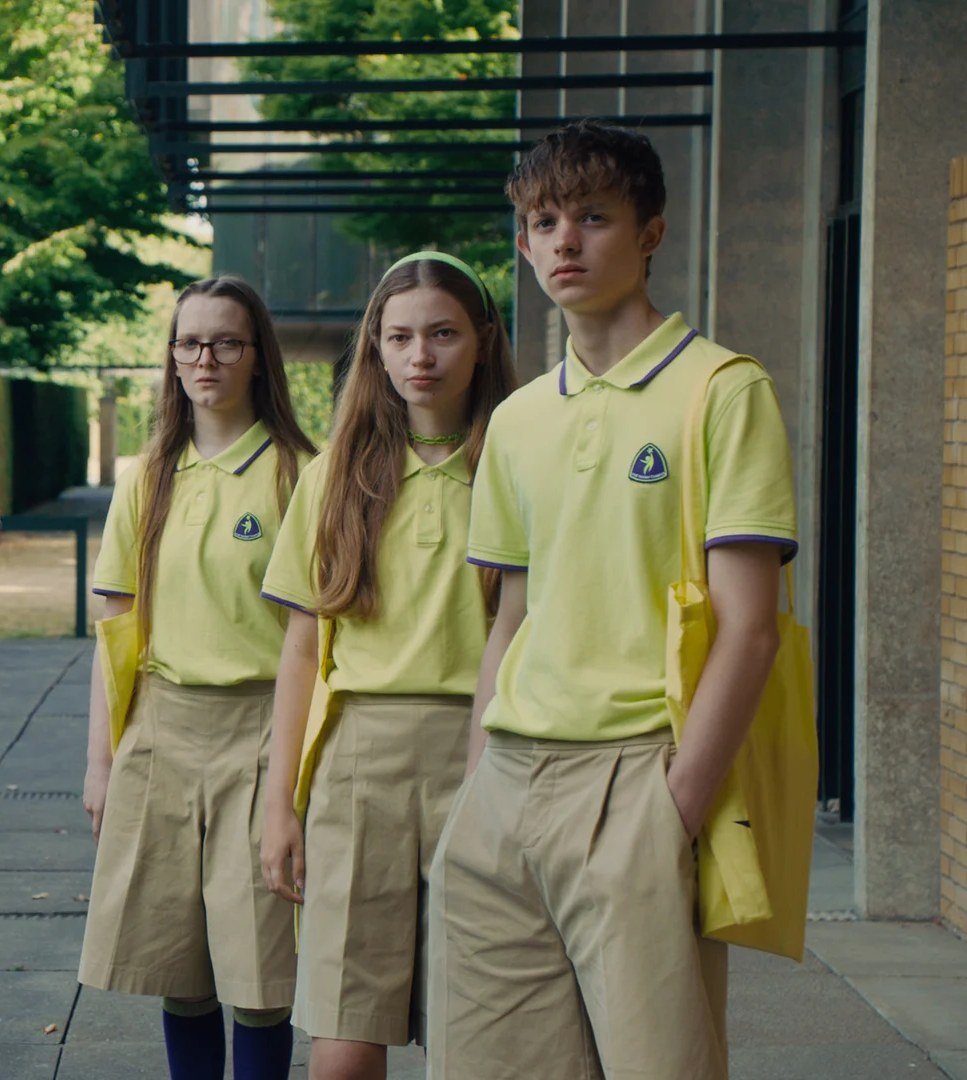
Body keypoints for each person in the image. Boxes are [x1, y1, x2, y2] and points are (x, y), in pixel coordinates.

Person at [427, 120, 796, 1080]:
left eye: (593, 217)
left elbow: (752, 630)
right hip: (505, 783)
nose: (566, 241)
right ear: (523, 243)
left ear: (651, 233)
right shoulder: (515, 420)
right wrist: (477, 782)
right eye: (544, 222)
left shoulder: (722, 390)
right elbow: (511, 617)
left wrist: (675, 807)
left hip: (638, 775)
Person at [258, 251, 515, 1080]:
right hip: (358, 761)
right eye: (399, 337)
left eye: (443, 333)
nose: (420, 356)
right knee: (343, 1037)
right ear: (374, 345)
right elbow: (303, 647)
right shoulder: (334, 475)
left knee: (480, 1034)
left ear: (483, 339)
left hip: (490, 751)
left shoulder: (520, 463)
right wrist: (279, 803)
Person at [78, 276, 318, 1080]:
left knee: (259, 976)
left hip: (262, 734)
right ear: (172, 358)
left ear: (258, 357)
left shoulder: (298, 473)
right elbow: (116, 628)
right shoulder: (149, 476)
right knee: (177, 970)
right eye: (189, 343)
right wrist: (102, 760)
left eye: (225, 343)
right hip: (162, 731)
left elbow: (320, 637)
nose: (205, 359)